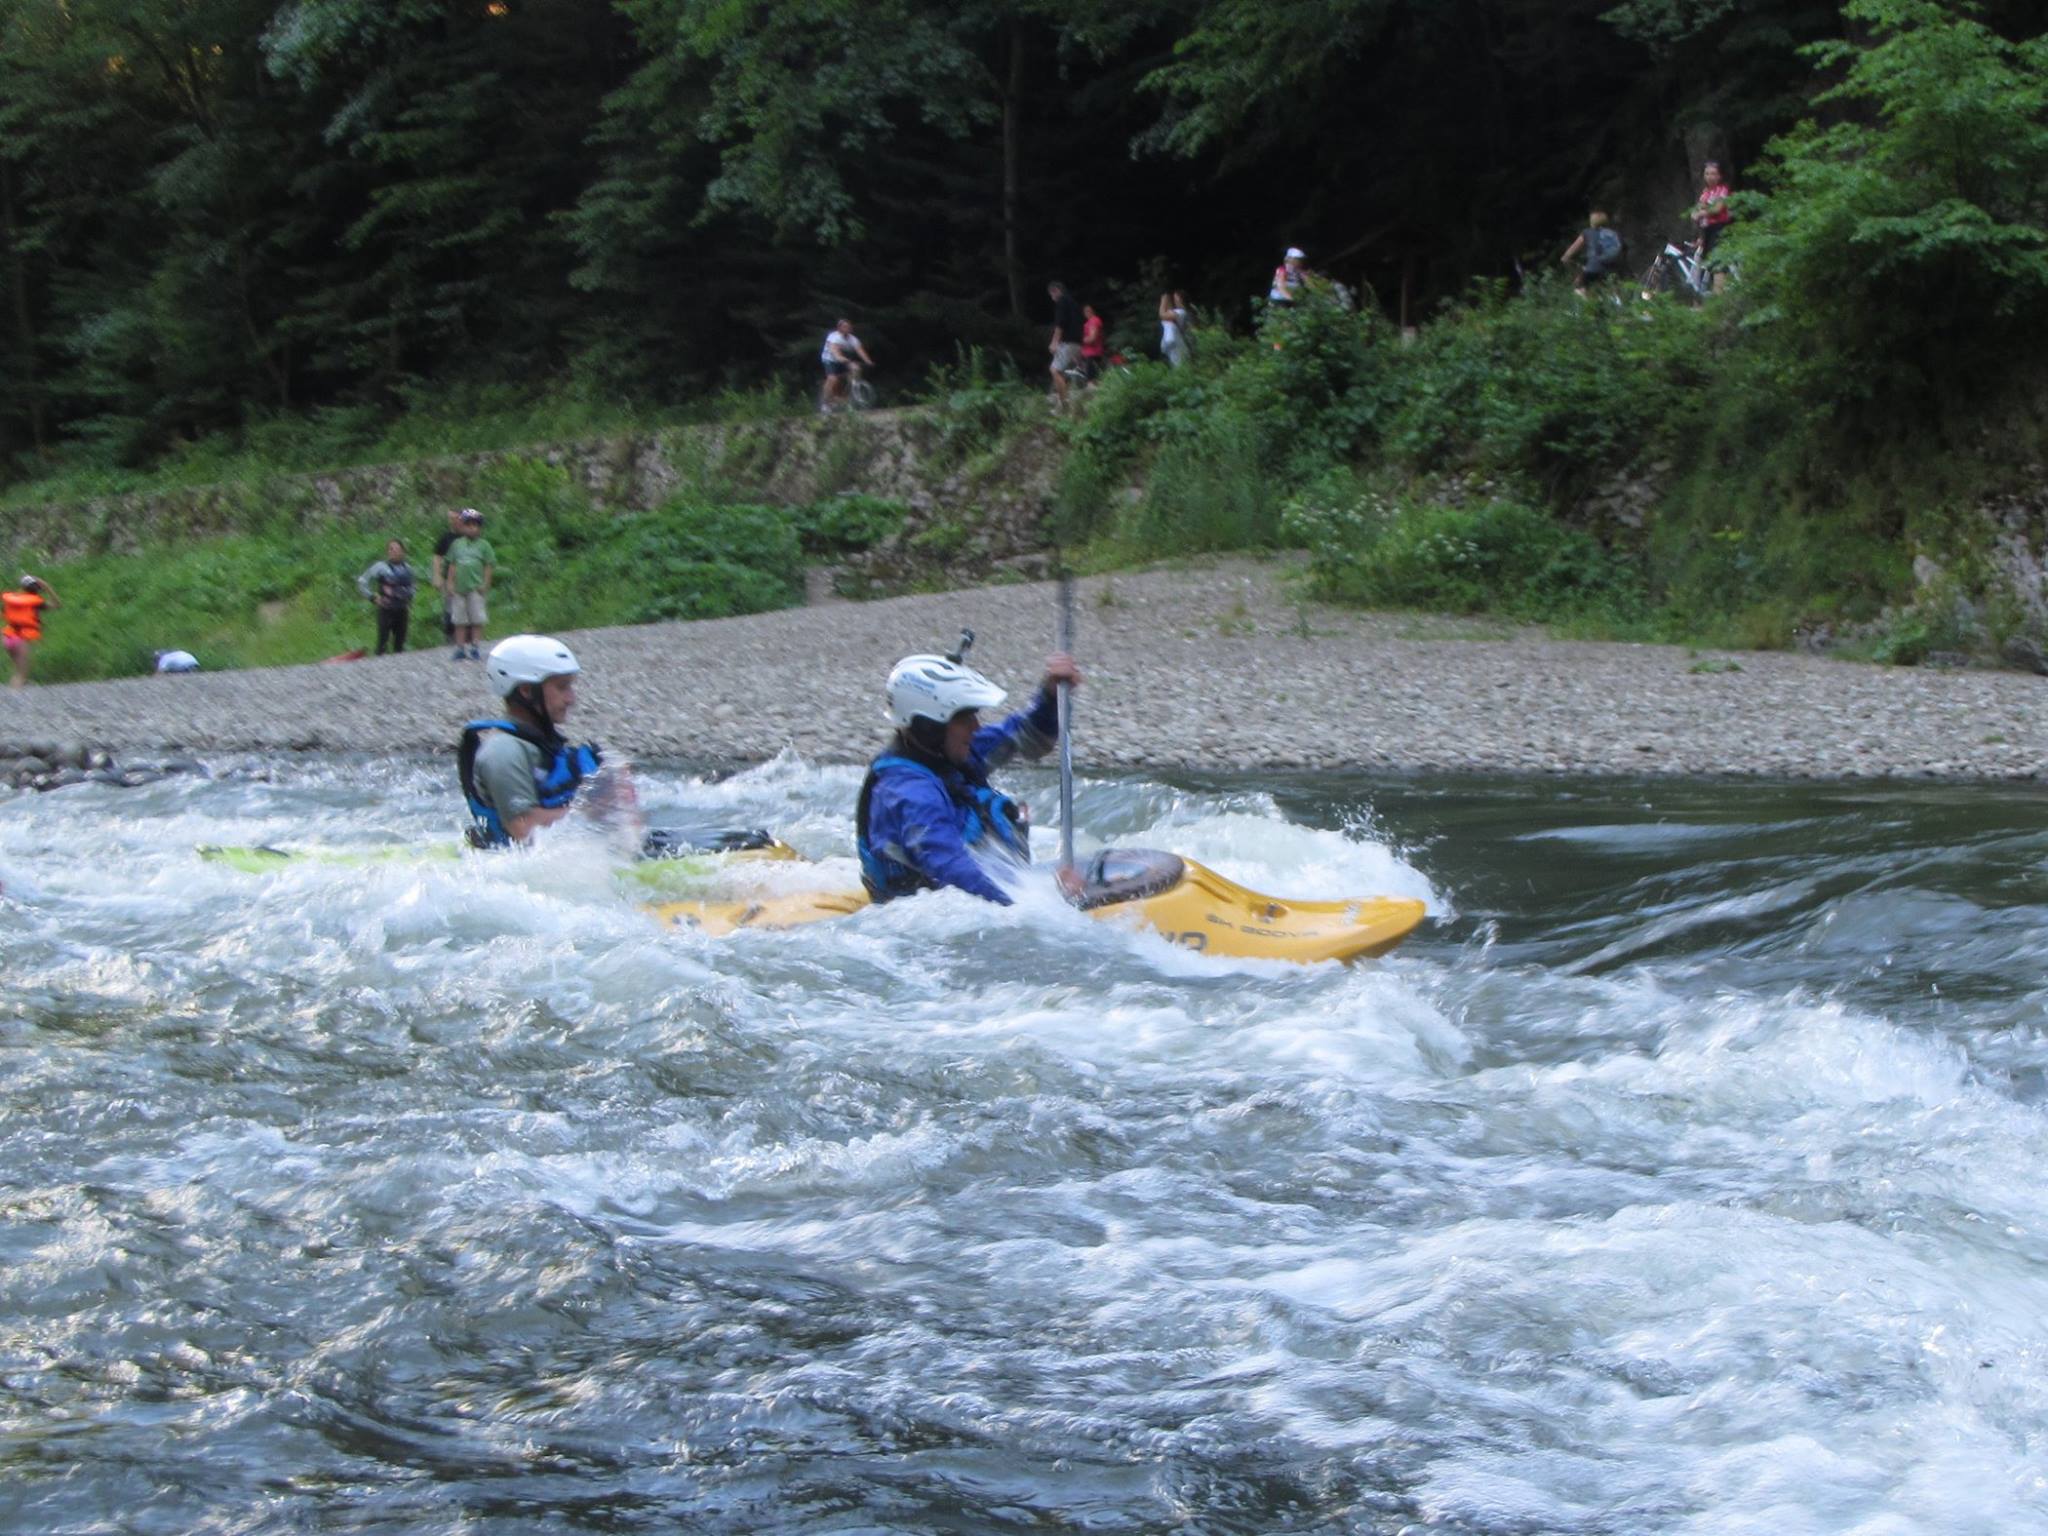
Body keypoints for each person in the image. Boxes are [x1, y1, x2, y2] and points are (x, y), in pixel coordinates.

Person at [855, 648, 1085, 907]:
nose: (976, 726)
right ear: (930, 725)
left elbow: (1026, 736)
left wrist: (1050, 696)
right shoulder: (909, 792)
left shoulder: (950, 755)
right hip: (933, 922)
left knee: (1129, 865)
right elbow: (951, 869)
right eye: (964, 718)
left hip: (993, 891)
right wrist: (1047, 902)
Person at [457, 635, 612, 847]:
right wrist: (593, 811)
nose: (571, 699)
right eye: (562, 687)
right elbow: (523, 827)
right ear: (527, 691)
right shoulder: (503, 752)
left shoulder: (542, 747)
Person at [441, 509, 493, 661]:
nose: (472, 528)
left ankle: (475, 646)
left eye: (476, 525)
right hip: (459, 588)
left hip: (476, 588)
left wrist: (486, 583)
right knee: (459, 619)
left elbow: (488, 565)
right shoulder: (457, 545)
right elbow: (452, 564)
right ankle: (460, 647)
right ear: (462, 526)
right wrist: (449, 583)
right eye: (469, 525)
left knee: (477, 618)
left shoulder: (484, 545)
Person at [357, 538, 418, 656]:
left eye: (397, 549)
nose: (393, 552)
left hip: (402, 610)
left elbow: (413, 586)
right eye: (391, 549)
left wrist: (410, 598)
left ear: (403, 552)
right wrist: (372, 597)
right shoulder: (381, 567)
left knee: (400, 644)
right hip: (386, 610)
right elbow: (362, 581)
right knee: (382, 643)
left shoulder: (408, 568)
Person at [3, 574, 58, 689]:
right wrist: (47, 587)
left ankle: (14, 696)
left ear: (22, 587)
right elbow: (56, 605)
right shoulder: (36, 602)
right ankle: (14, 699)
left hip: (7, 638)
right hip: (21, 639)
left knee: (17, 671)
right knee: (22, 674)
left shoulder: (12, 600)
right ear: (37, 589)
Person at [1560, 211, 1624, 293]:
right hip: (1611, 268)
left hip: (1593, 268)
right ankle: (1616, 303)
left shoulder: (1587, 232)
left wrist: (1566, 258)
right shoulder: (1613, 233)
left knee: (1579, 287)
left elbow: (1571, 251)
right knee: (1611, 290)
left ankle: (1588, 304)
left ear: (1592, 222)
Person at [819, 317, 874, 411]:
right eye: (845, 327)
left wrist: (868, 361)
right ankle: (825, 403)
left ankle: (848, 398)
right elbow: (836, 353)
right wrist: (847, 361)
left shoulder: (853, 339)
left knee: (856, 371)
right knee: (832, 379)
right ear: (839, 328)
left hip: (843, 359)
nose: (847, 329)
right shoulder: (834, 337)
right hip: (830, 359)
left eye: (848, 327)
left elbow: (860, 351)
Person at [1047, 281, 1086, 409]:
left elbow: (1060, 324)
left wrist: (1054, 342)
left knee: (1054, 370)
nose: (1051, 298)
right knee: (1063, 374)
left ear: (1056, 290)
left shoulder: (1062, 301)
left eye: (1051, 294)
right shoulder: (1074, 304)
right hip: (1077, 344)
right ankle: (1062, 403)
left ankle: (1064, 405)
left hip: (1068, 343)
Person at [430, 507, 465, 643]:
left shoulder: (469, 536)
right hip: (450, 580)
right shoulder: (445, 538)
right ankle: (451, 638)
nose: (454, 522)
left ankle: (469, 639)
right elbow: (437, 557)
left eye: (456, 519)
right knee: (450, 610)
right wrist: (437, 575)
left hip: (468, 579)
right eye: (451, 519)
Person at [1693, 161, 1732, 269]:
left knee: (1717, 263)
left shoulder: (1722, 190)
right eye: (1707, 174)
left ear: (1719, 176)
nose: (1710, 177)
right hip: (1707, 229)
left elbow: (1717, 208)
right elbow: (1699, 208)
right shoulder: (1705, 193)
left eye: (1713, 174)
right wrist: (1695, 214)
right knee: (1708, 262)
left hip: (1719, 228)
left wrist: (1702, 212)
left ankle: (1718, 286)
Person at [1159, 291, 1190, 368]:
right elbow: (1168, 311)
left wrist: (1163, 301)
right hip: (1172, 341)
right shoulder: (1177, 311)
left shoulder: (1182, 312)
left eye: (1176, 297)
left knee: (1178, 366)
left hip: (1174, 341)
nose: (1174, 299)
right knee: (1176, 365)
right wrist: (1167, 300)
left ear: (1180, 299)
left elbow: (1162, 315)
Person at [1080, 304, 1106, 381]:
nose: (1086, 312)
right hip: (1086, 353)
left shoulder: (1094, 320)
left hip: (1092, 353)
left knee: (1091, 381)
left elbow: (1092, 338)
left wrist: (1079, 340)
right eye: (1085, 311)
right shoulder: (1088, 323)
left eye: (1088, 310)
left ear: (1092, 311)